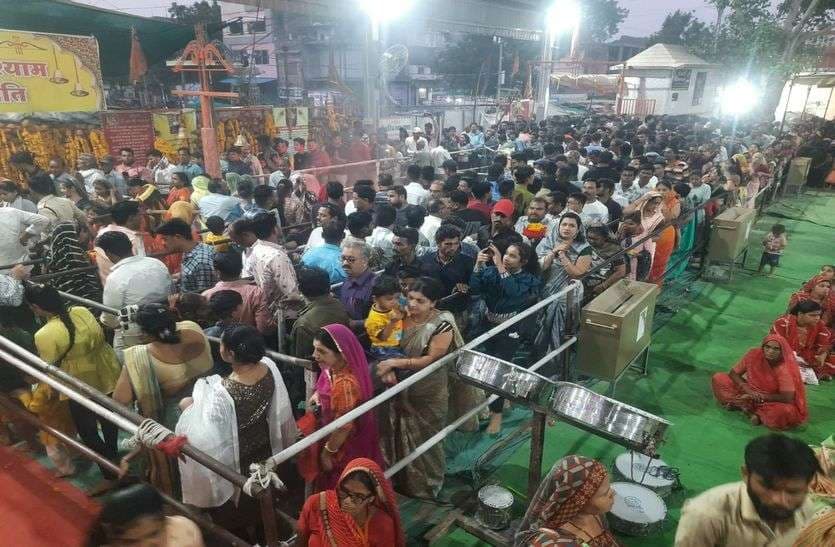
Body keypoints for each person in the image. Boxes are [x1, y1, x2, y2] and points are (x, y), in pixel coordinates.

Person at [377, 277, 479, 498]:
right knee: (396, 433)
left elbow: (431, 359)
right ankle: (403, 480)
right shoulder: (401, 314)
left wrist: (395, 363)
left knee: (427, 440)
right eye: (410, 298)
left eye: (420, 301)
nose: (413, 304)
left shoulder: (442, 323)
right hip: (399, 385)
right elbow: (383, 341)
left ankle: (427, 486)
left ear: (433, 303)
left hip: (428, 389)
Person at [177, 325, 296, 509]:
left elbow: (205, 433)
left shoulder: (223, 392)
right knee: (263, 489)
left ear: (231, 353)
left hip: (239, 455)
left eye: (222, 345)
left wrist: (188, 407)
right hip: (264, 444)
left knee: (245, 497)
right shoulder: (268, 366)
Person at [25, 284, 122, 492]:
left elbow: (51, 367)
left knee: (87, 432)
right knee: (108, 419)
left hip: (78, 384)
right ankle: (114, 458)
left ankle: (110, 472)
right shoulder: (81, 311)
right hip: (106, 372)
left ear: (36, 307)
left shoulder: (45, 334)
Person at [113, 303, 212, 496]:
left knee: (178, 465)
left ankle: (181, 498)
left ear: (145, 332)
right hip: (207, 403)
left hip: (176, 417)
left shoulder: (140, 356)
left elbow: (120, 399)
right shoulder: (192, 328)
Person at [674, 434, 819, 547]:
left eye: (792, 492)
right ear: (745, 473)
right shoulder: (705, 515)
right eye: (768, 486)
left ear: (808, 484)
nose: (779, 500)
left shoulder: (807, 509)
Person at [470, 241, 542, 434]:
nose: (506, 258)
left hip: (511, 328)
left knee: (498, 371)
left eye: (512, 256)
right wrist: (478, 265)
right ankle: (505, 397)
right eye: (505, 254)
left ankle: (497, 415)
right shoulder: (492, 271)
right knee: (491, 367)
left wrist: (500, 266)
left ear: (523, 261)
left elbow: (512, 291)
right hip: (488, 324)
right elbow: (474, 288)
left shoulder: (528, 279)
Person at [309, 325, 384, 490]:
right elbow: (324, 384)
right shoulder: (333, 368)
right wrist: (317, 396)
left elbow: (343, 426)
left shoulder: (345, 384)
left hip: (342, 446)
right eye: (314, 349)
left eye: (321, 351)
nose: (315, 356)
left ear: (342, 353)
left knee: (342, 483)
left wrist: (327, 454)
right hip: (333, 434)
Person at [297, 457, 405, 547]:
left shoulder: (383, 525)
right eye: (344, 491)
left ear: (371, 498)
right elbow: (300, 543)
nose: (347, 501)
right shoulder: (317, 504)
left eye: (358, 496)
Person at [514, 455, 618, 546]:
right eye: (604, 493)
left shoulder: (594, 514)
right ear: (578, 502)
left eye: (609, 487)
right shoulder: (555, 541)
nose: (613, 493)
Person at [97, 231, 172, 354]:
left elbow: (110, 318)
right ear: (130, 246)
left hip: (137, 333)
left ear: (109, 254)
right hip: (166, 320)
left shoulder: (115, 277)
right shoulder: (157, 263)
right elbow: (171, 293)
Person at [712, 334, 807, 429]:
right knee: (719, 378)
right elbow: (733, 373)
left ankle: (748, 409)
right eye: (767, 347)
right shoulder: (753, 355)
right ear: (763, 347)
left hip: (770, 401)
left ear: (782, 351)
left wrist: (759, 397)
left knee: (786, 411)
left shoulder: (784, 369)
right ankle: (748, 408)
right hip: (748, 391)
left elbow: (787, 398)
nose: (770, 351)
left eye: (776, 349)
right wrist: (748, 390)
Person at [535, 212, 591, 357]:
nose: (567, 228)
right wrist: (554, 251)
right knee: (540, 325)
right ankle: (538, 354)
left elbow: (577, 273)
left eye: (572, 225)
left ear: (578, 229)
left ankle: (556, 360)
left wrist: (562, 255)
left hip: (567, 294)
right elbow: (539, 267)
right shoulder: (547, 242)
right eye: (564, 224)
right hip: (545, 289)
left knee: (559, 329)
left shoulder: (584, 248)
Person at [86, 484, 204, 547]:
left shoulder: (185, 531)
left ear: (165, 522)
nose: (145, 545)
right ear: (115, 542)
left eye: (153, 534)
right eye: (130, 542)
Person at [202, 251, 272, 334]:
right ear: (241, 268)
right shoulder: (255, 292)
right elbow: (263, 327)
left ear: (218, 272)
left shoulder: (206, 296)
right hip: (249, 341)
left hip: (216, 342)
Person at [291, 266, 351, 362]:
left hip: (320, 371)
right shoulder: (338, 304)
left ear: (300, 289)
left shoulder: (303, 325)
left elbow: (302, 362)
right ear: (328, 285)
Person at [419, 225, 475, 318]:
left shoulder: (467, 262)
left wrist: (466, 287)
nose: (453, 247)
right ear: (438, 244)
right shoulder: (425, 260)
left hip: (456, 312)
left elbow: (475, 287)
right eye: (448, 244)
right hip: (430, 311)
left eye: (456, 243)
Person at [771, 300, 834, 380]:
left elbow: (824, 343)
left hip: (806, 356)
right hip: (784, 354)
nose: (817, 318)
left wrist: (823, 354)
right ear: (800, 314)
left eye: (818, 315)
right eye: (812, 315)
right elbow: (775, 343)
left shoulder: (819, 325)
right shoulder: (783, 323)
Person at [157, 218, 216, 294]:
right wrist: (180, 276)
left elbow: (204, 297)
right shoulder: (190, 250)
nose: (163, 243)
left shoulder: (201, 262)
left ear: (177, 237)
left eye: (165, 239)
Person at [94, 200, 146, 283]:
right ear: (131, 218)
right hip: (131, 287)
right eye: (139, 215)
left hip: (109, 286)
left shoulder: (101, 234)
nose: (141, 218)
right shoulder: (133, 239)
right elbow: (142, 269)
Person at [0, 203, 49, 273]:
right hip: (22, 267)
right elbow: (43, 220)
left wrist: (25, 236)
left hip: (4, 272)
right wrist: (26, 236)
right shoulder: (11, 212)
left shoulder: (10, 212)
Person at [365, 275, 405, 361]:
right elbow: (383, 337)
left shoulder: (392, 306)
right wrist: (392, 322)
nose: (394, 301)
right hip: (383, 348)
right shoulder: (374, 319)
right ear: (375, 299)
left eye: (397, 297)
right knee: (402, 362)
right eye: (389, 299)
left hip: (396, 341)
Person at [339, 242, 377, 330]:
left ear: (365, 261)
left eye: (351, 259)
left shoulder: (376, 285)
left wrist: (353, 324)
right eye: (343, 258)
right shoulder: (347, 281)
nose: (344, 263)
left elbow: (385, 318)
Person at [584, 225, 626, 299]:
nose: (591, 241)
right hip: (586, 281)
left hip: (602, 285)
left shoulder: (614, 250)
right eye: (589, 238)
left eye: (595, 239)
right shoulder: (587, 245)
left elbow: (621, 272)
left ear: (604, 238)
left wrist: (604, 285)